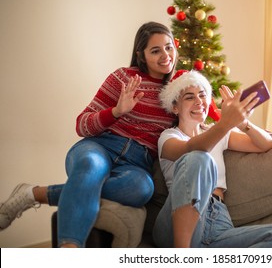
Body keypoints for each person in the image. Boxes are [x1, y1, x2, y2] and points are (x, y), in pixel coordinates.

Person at [0, 22, 178, 248]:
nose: (165, 55)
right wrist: (116, 111)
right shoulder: (123, 78)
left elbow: (195, 120)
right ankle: (70, 249)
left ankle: (35, 194)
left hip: (136, 162)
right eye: (155, 50)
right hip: (100, 147)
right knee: (90, 169)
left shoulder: (175, 91)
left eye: (169, 47)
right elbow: (82, 125)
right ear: (141, 55)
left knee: (142, 189)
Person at [152, 70, 272, 248]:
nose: (199, 101)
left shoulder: (218, 133)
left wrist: (242, 123)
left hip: (218, 221)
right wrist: (226, 122)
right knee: (199, 158)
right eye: (189, 97)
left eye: (202, 95)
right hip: (177, 222)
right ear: (175, 107)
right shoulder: (169, 136)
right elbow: (192, 148)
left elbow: (265, 144)